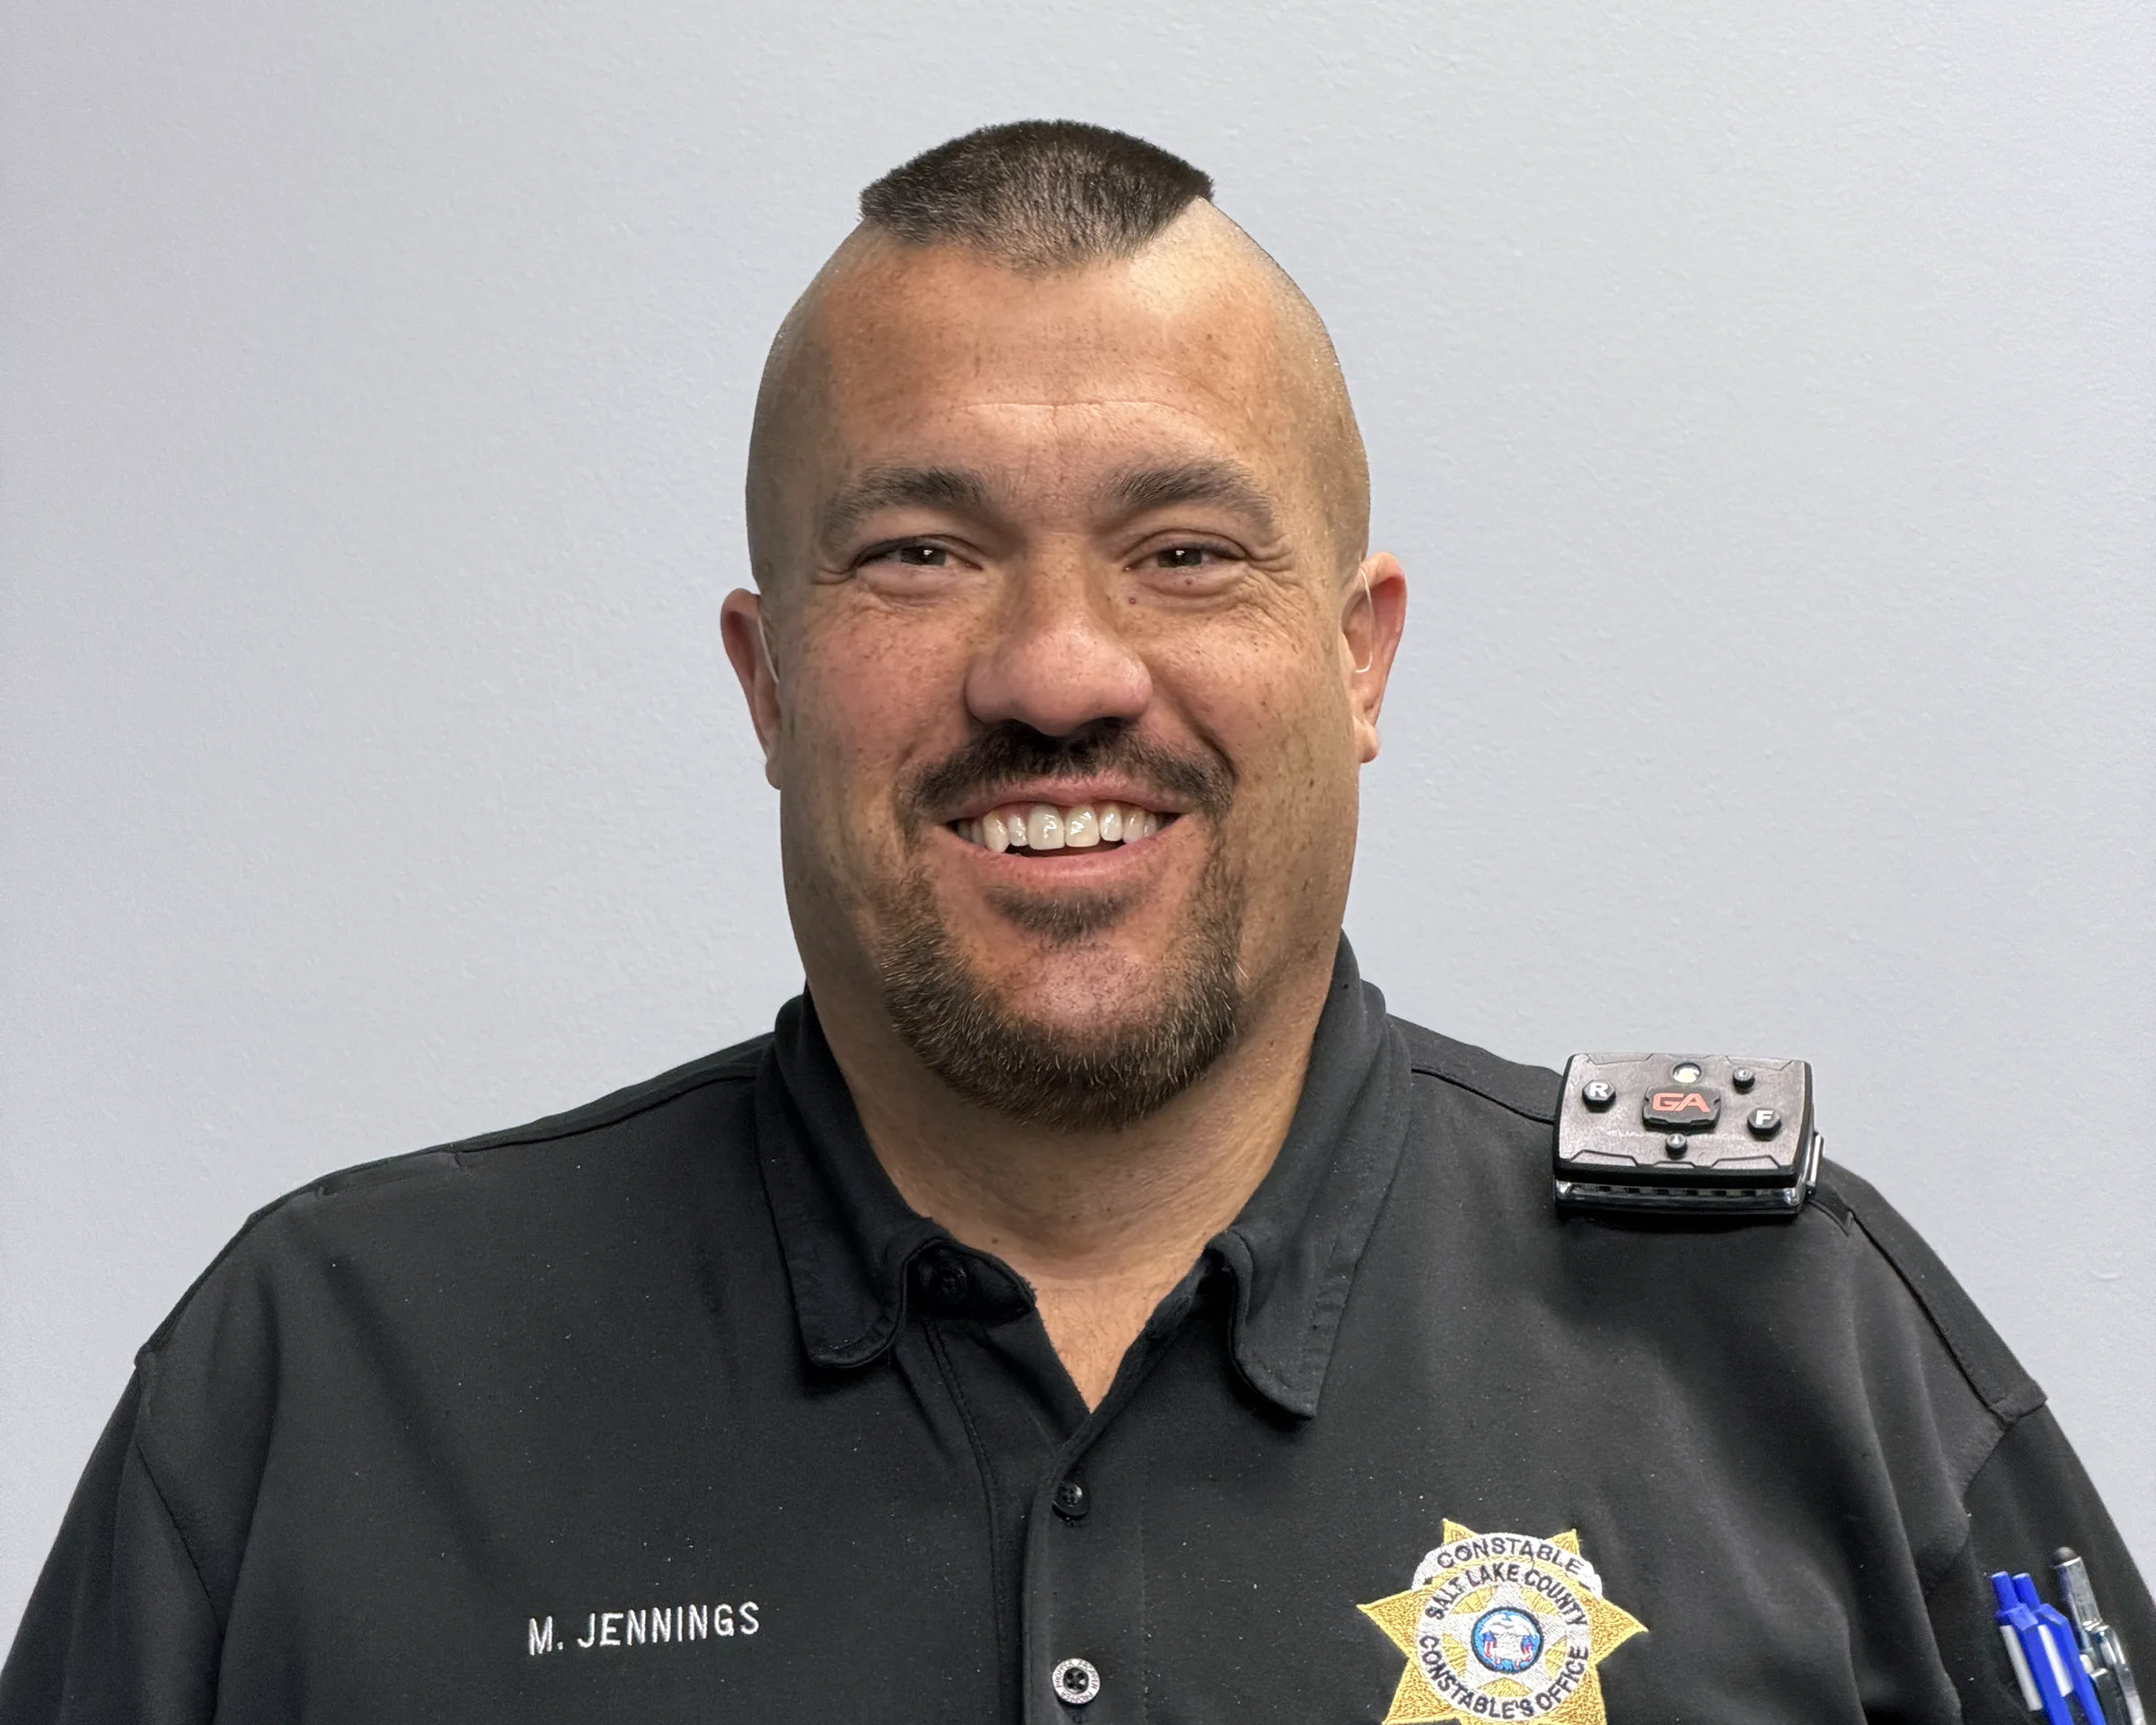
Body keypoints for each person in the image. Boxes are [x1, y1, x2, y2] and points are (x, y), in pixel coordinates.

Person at [2, 119, 2146, 1725]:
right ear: (764, 682)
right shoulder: (324, 1391)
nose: (1056, 672)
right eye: (920, 554)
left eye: (1187, 551)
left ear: (1360, 656)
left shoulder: (1797, 1358)